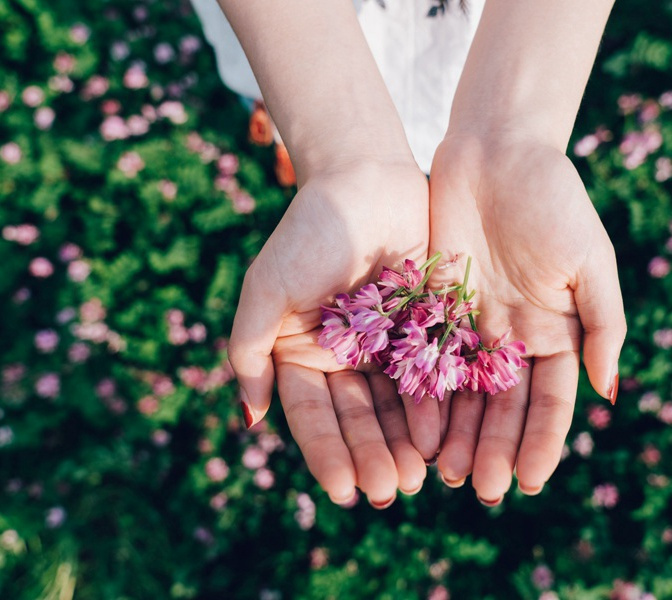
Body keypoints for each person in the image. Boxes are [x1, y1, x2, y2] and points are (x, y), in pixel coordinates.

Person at [196, 0, 627, 510]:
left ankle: (313, 137)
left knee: (431, 103)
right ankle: (301, 131)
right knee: (289, 84)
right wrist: (337, 147)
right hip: (295, 41)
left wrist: (511, 132)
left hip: (494, 52)